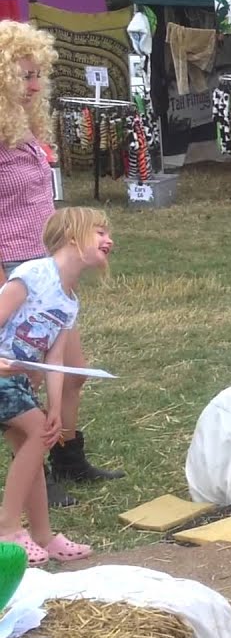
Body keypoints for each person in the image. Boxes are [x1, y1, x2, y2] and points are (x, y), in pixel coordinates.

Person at [0, 21, 122, 509]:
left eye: (37, 77)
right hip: (11, 269)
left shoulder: (26, 131)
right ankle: (35, 472)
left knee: (73, 371)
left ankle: (68, 455)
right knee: (20, 378)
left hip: (45, 266)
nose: (33, 87)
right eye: (23, 77)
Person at [0, 206, 111, 566]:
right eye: (100, 232)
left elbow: (56, 360)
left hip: (18, 379)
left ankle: (44, 535)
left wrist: (53, 407)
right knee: (35, 434)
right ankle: (7, 528)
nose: (109, 241)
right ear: (72, 235)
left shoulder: (69, 300)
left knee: (32, 444)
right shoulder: (33, 274)